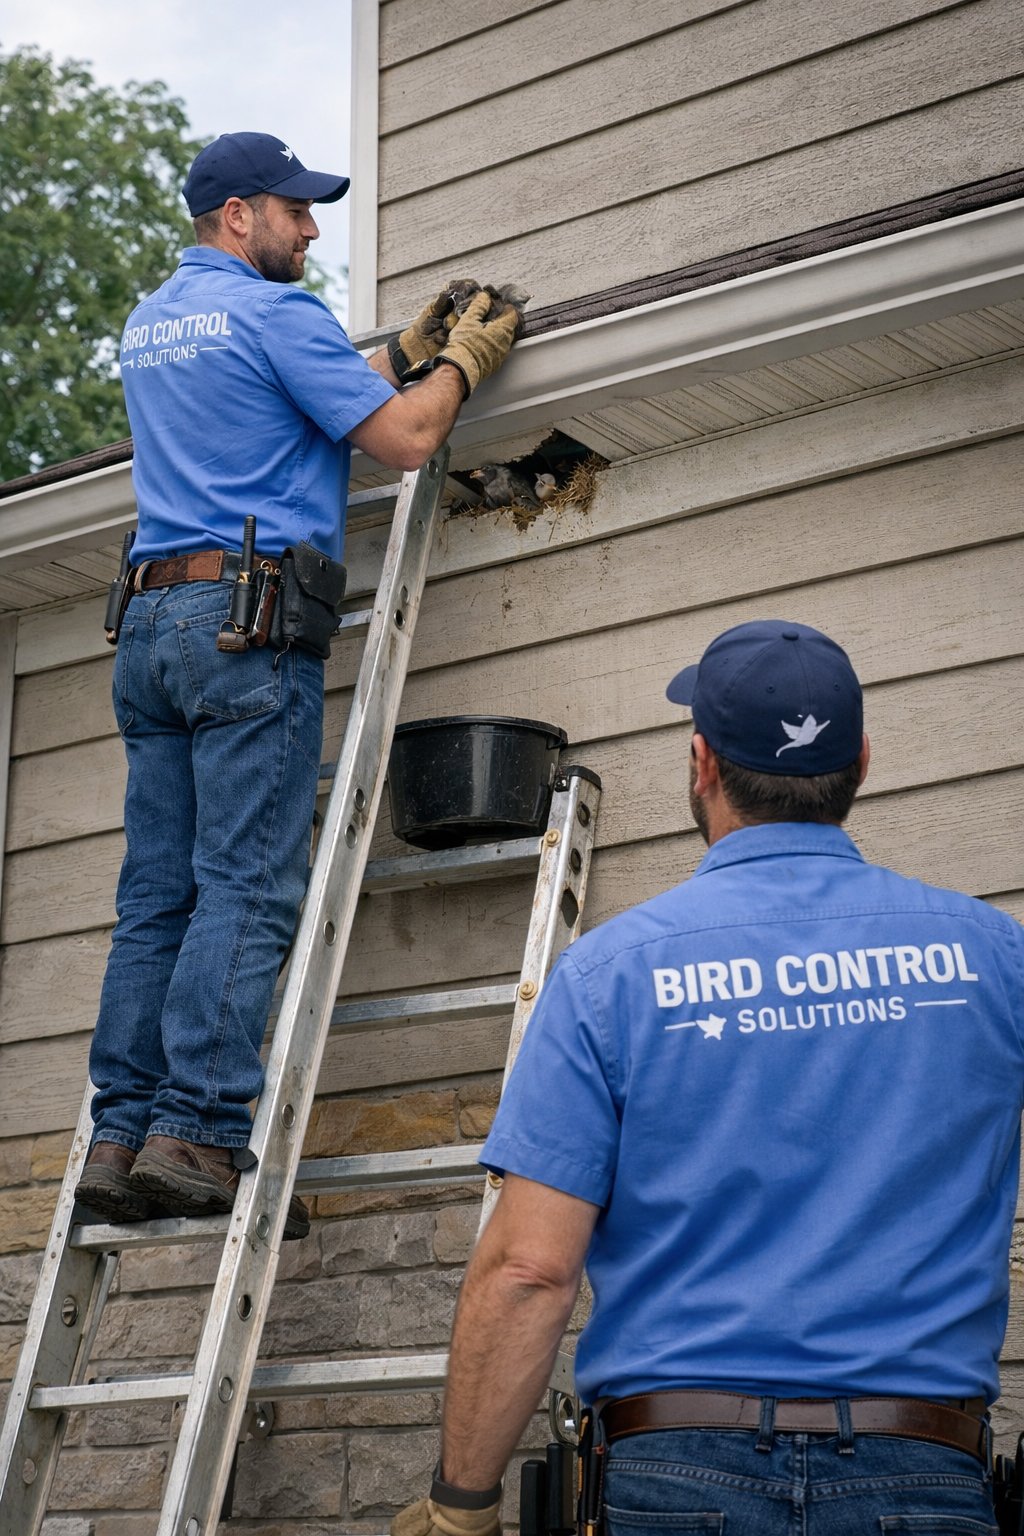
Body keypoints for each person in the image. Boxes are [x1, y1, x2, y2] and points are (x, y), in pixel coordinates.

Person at [393, 618, 1024, 1536]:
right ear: (861, 763)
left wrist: (461, 1505)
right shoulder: (993, 957)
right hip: (923, 1474)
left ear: (702, 764)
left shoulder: (613, 975)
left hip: (679, 1480)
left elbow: (530, 1268)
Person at [74, 132, 521, 1237]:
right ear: (239, 215)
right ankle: (199, 1132)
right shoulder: (277, 316)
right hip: (245, 629)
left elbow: (276, 410)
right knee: (246, 886)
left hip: (150, 625)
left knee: (156, 899)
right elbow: (407, 441)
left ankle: (118, 1133)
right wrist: (460, 363)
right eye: (296, 210)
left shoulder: (152, 324)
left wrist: (395, 352)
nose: (312, 229)